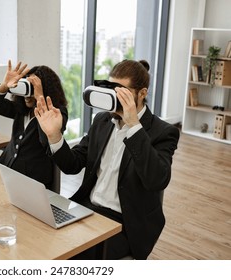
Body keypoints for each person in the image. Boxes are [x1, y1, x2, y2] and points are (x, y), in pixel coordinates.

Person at [34, 59, 180, 259]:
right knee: (40, 238)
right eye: (111, 89)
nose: (114, 97)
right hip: (87, 208)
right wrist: (55, 136)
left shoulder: (163, 132)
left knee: (72, 255)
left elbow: (157, 179)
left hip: (125, 223)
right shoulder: (102, 121)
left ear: (142, 93)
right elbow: (73, 165)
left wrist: (134, 126)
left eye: (122, 92)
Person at [0, 60, 68, 190]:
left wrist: (39, 98)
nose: (27, 96)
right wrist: (4, 86)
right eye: (25, 88)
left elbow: (46, 141)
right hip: (6, 170)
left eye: (32, 90)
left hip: (33, 180)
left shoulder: (57, 114)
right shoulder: (22, 110)